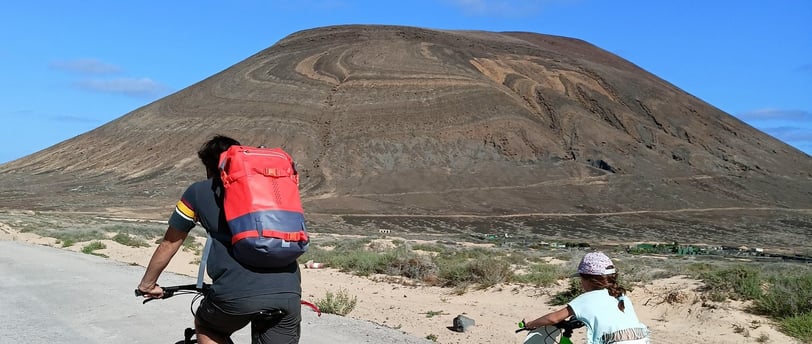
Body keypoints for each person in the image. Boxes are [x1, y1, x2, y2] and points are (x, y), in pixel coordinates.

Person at [137, 135, 302, 344]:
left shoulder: (198, 192)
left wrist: (148, 284)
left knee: (207, 326)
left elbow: (170, 243)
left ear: (208, 166)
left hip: (235, 293)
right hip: (288, 292)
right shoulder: (269, 190)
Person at [523, 251, 650, 344]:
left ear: (588, 280)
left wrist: (531, 323)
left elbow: (553, 319)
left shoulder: (586, 298)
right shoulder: (621, 296)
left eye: (581, 279)